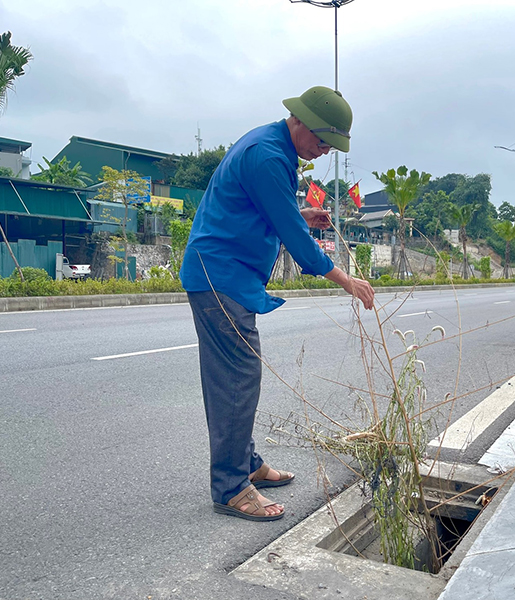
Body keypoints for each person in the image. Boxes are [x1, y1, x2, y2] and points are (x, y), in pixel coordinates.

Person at [180, 85, 375, 522]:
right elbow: (296, 242)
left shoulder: (273, 147)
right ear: (301, 122)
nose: (324, 152)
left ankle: (245, 463)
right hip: (219, 277)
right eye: (323, 142)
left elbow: (266, 210)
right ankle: (232, 486)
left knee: (238, 375)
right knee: (236, 378)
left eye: (331, 147)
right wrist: (347, 281)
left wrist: (300, 214)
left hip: (228, 277)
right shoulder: (269, 156)